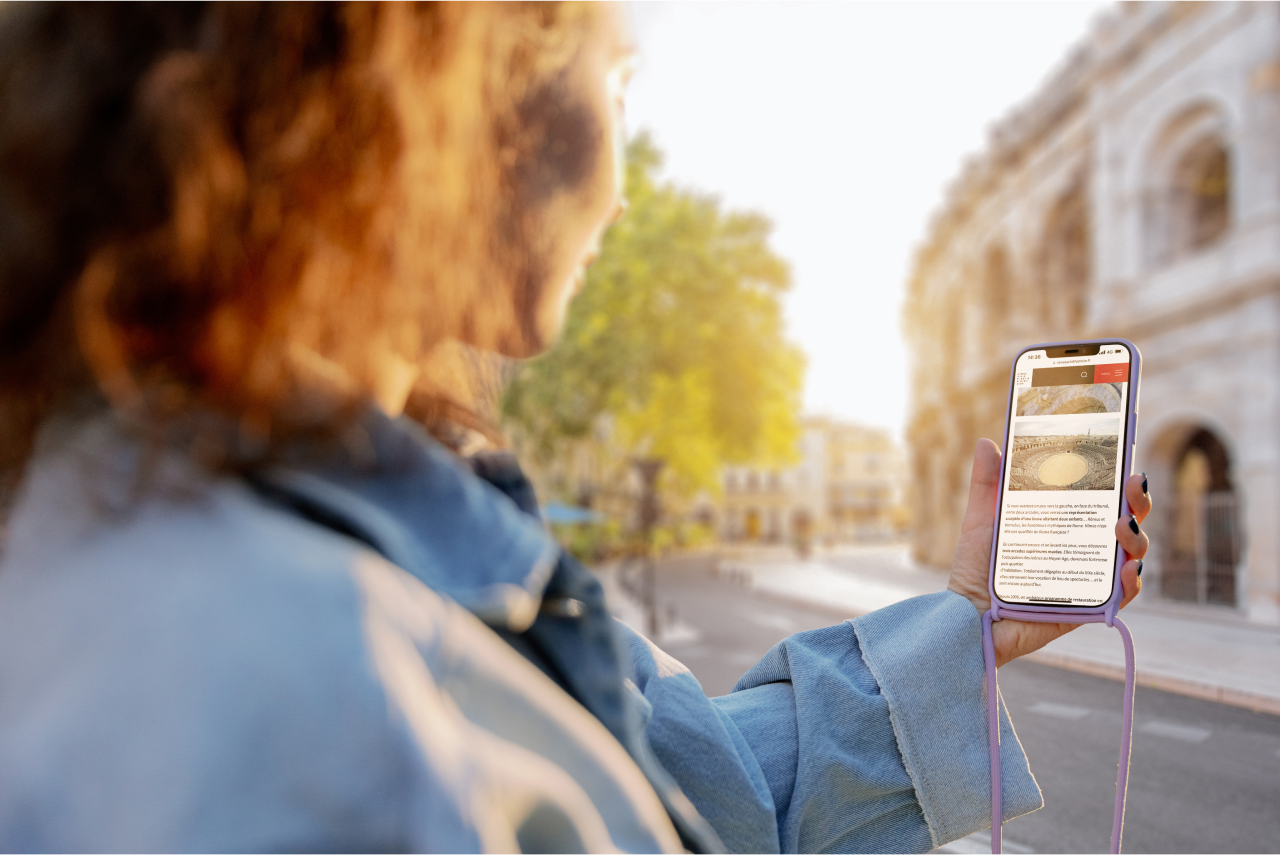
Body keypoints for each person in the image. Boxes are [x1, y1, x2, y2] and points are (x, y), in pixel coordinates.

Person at [0, 1, 1151, 853]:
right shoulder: (302, 694)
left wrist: (967, 626)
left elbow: (694, 790)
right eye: (619, 78)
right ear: (459, 81)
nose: (621, 187)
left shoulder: (243, 523)